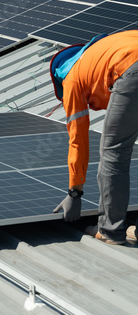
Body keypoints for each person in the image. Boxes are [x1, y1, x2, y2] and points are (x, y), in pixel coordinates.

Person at [50, 30, 138, 245]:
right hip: (130, 62)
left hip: (132, 67)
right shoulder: (100, 51)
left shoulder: (71, 79)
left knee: (113, 153)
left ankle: (110, 230)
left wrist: (74, 193)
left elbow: (78, 141)